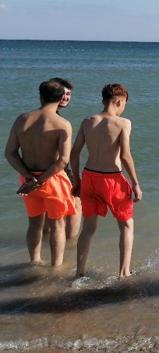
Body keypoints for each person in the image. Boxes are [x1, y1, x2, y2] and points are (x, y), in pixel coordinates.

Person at [72, 84, 142, 278]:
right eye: (124, 104)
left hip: (89, 177)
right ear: (119, 101)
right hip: (112, 179)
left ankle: (79, 273)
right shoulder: (123, 123)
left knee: (88, 228)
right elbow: (126, 156)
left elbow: (74, 152)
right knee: (126, 225)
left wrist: (76, 180)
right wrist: (135, 183)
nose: (124, 108)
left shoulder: (87, 121)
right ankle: (124, 272)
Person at [4, 80, 75, 266]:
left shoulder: (22, 119)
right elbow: (63, 161)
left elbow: (10, 153)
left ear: (41, 96)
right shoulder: (62, 123)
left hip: (27, 178)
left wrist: (28, 177)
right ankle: (56, 266)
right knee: (57, 225)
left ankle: (34, 261)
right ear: (61, 98)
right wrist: (41, 180)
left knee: (34, 223)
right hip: (52, 179)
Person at [45, 77, 82, 240]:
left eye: (69, 95)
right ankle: (70, 245)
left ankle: (47, 240)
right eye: (64, 94)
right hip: (58, 170)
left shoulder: (41, 116)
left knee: (48, 211)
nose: (66, 97)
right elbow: (63, 157)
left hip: (42, 168)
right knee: (76, 204)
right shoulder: (59, 120)